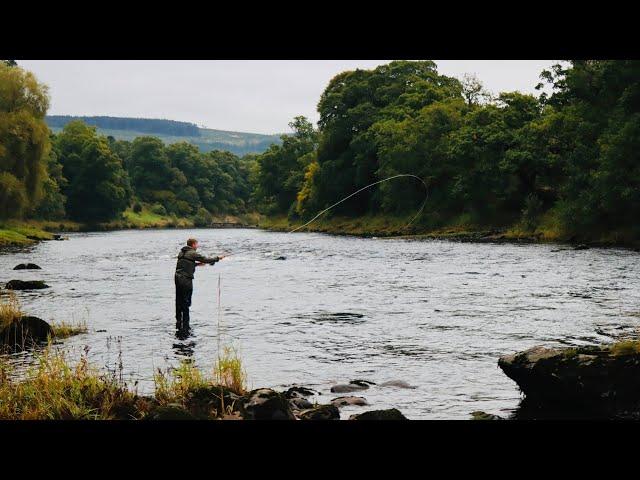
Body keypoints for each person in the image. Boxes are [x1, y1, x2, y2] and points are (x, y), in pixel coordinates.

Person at [174, 238, 224, 333]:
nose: (197, 246)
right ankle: (186, 325)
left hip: (177, 278)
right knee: (186, 301)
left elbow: (185, 263)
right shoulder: (193, 253)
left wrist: (196, 264)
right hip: (185, 279)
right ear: (193, 245)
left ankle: (178, 321)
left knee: (178, 300)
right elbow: (205, 259)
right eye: (197, 244)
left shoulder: (182, 252)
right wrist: (218, 258)